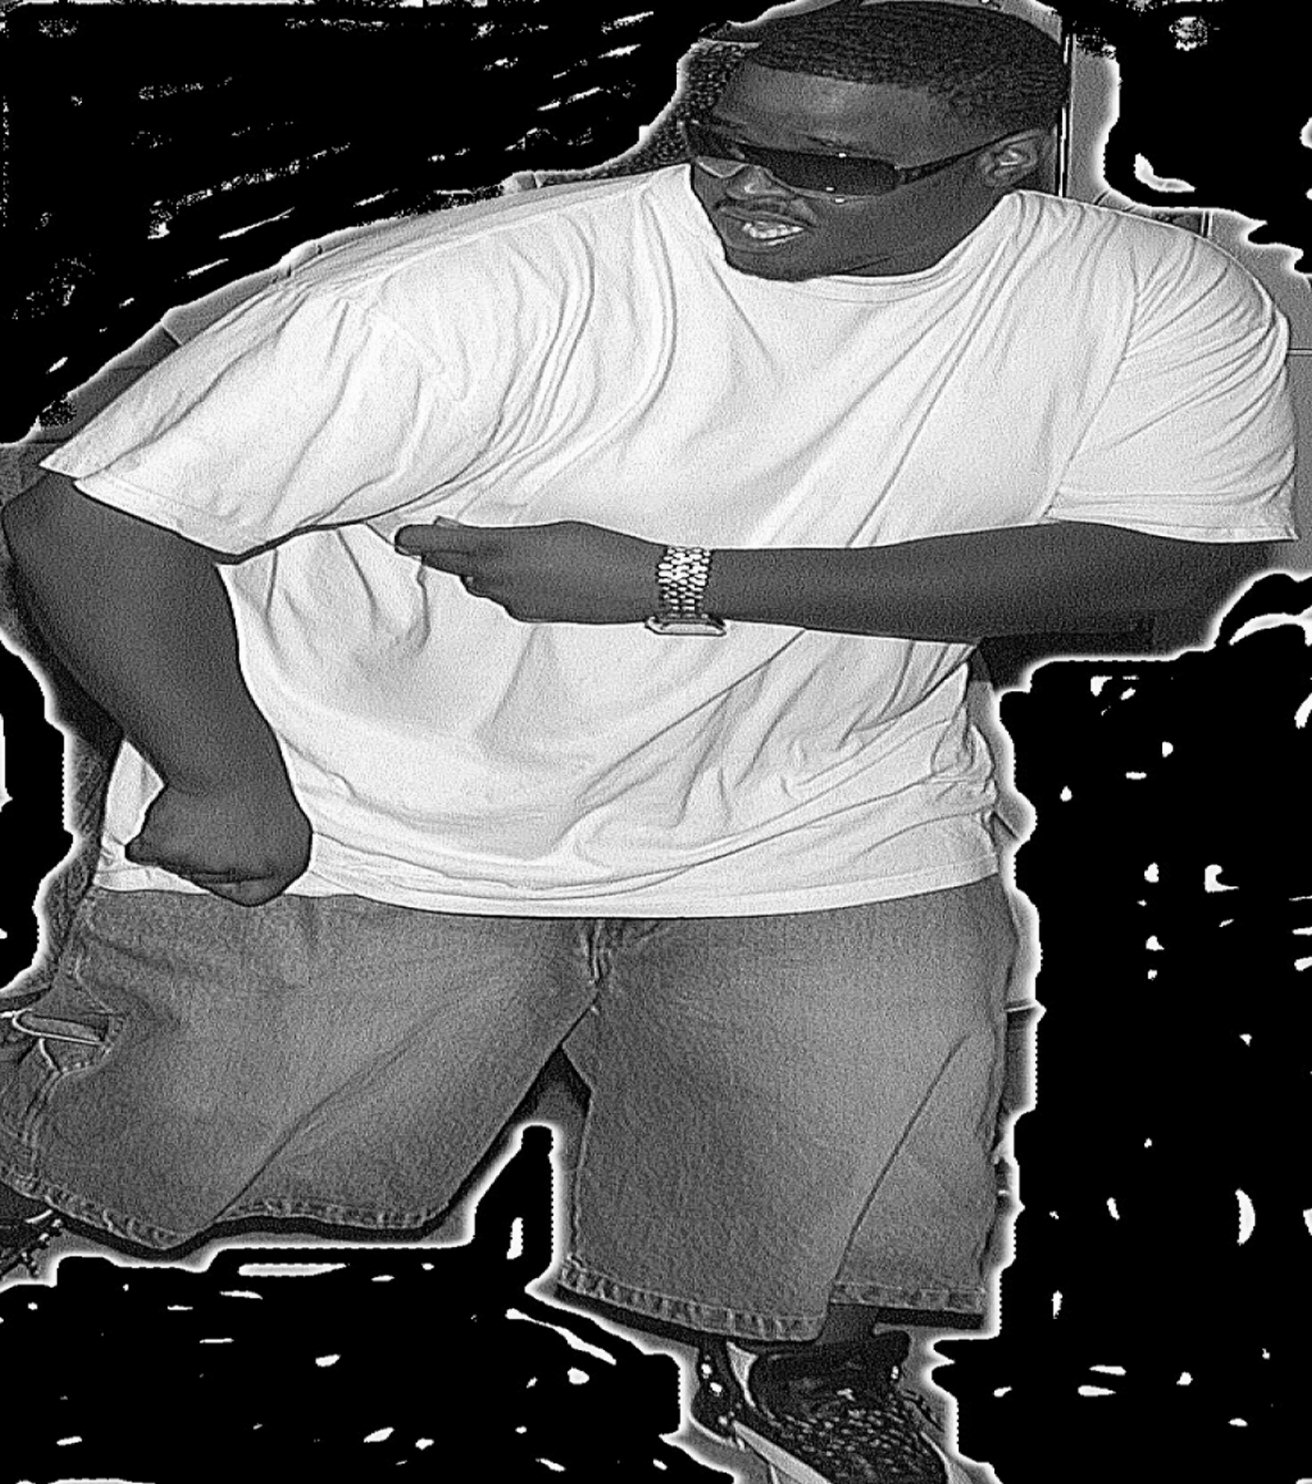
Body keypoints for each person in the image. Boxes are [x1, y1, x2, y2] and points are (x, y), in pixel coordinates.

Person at [0, 5, 1297, 1481]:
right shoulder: (475, 294)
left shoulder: (1148, 300)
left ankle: (806, 1367)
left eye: (826, 169)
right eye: (720, 141)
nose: (745, 186)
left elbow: (1161, 561)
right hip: (386, 791)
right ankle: (26, 1163)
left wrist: (677, 580)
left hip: (818, 804)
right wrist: (225, 772)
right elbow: (84, 518)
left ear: (1005, 161)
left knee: (850, 1131)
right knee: (183, 1123)